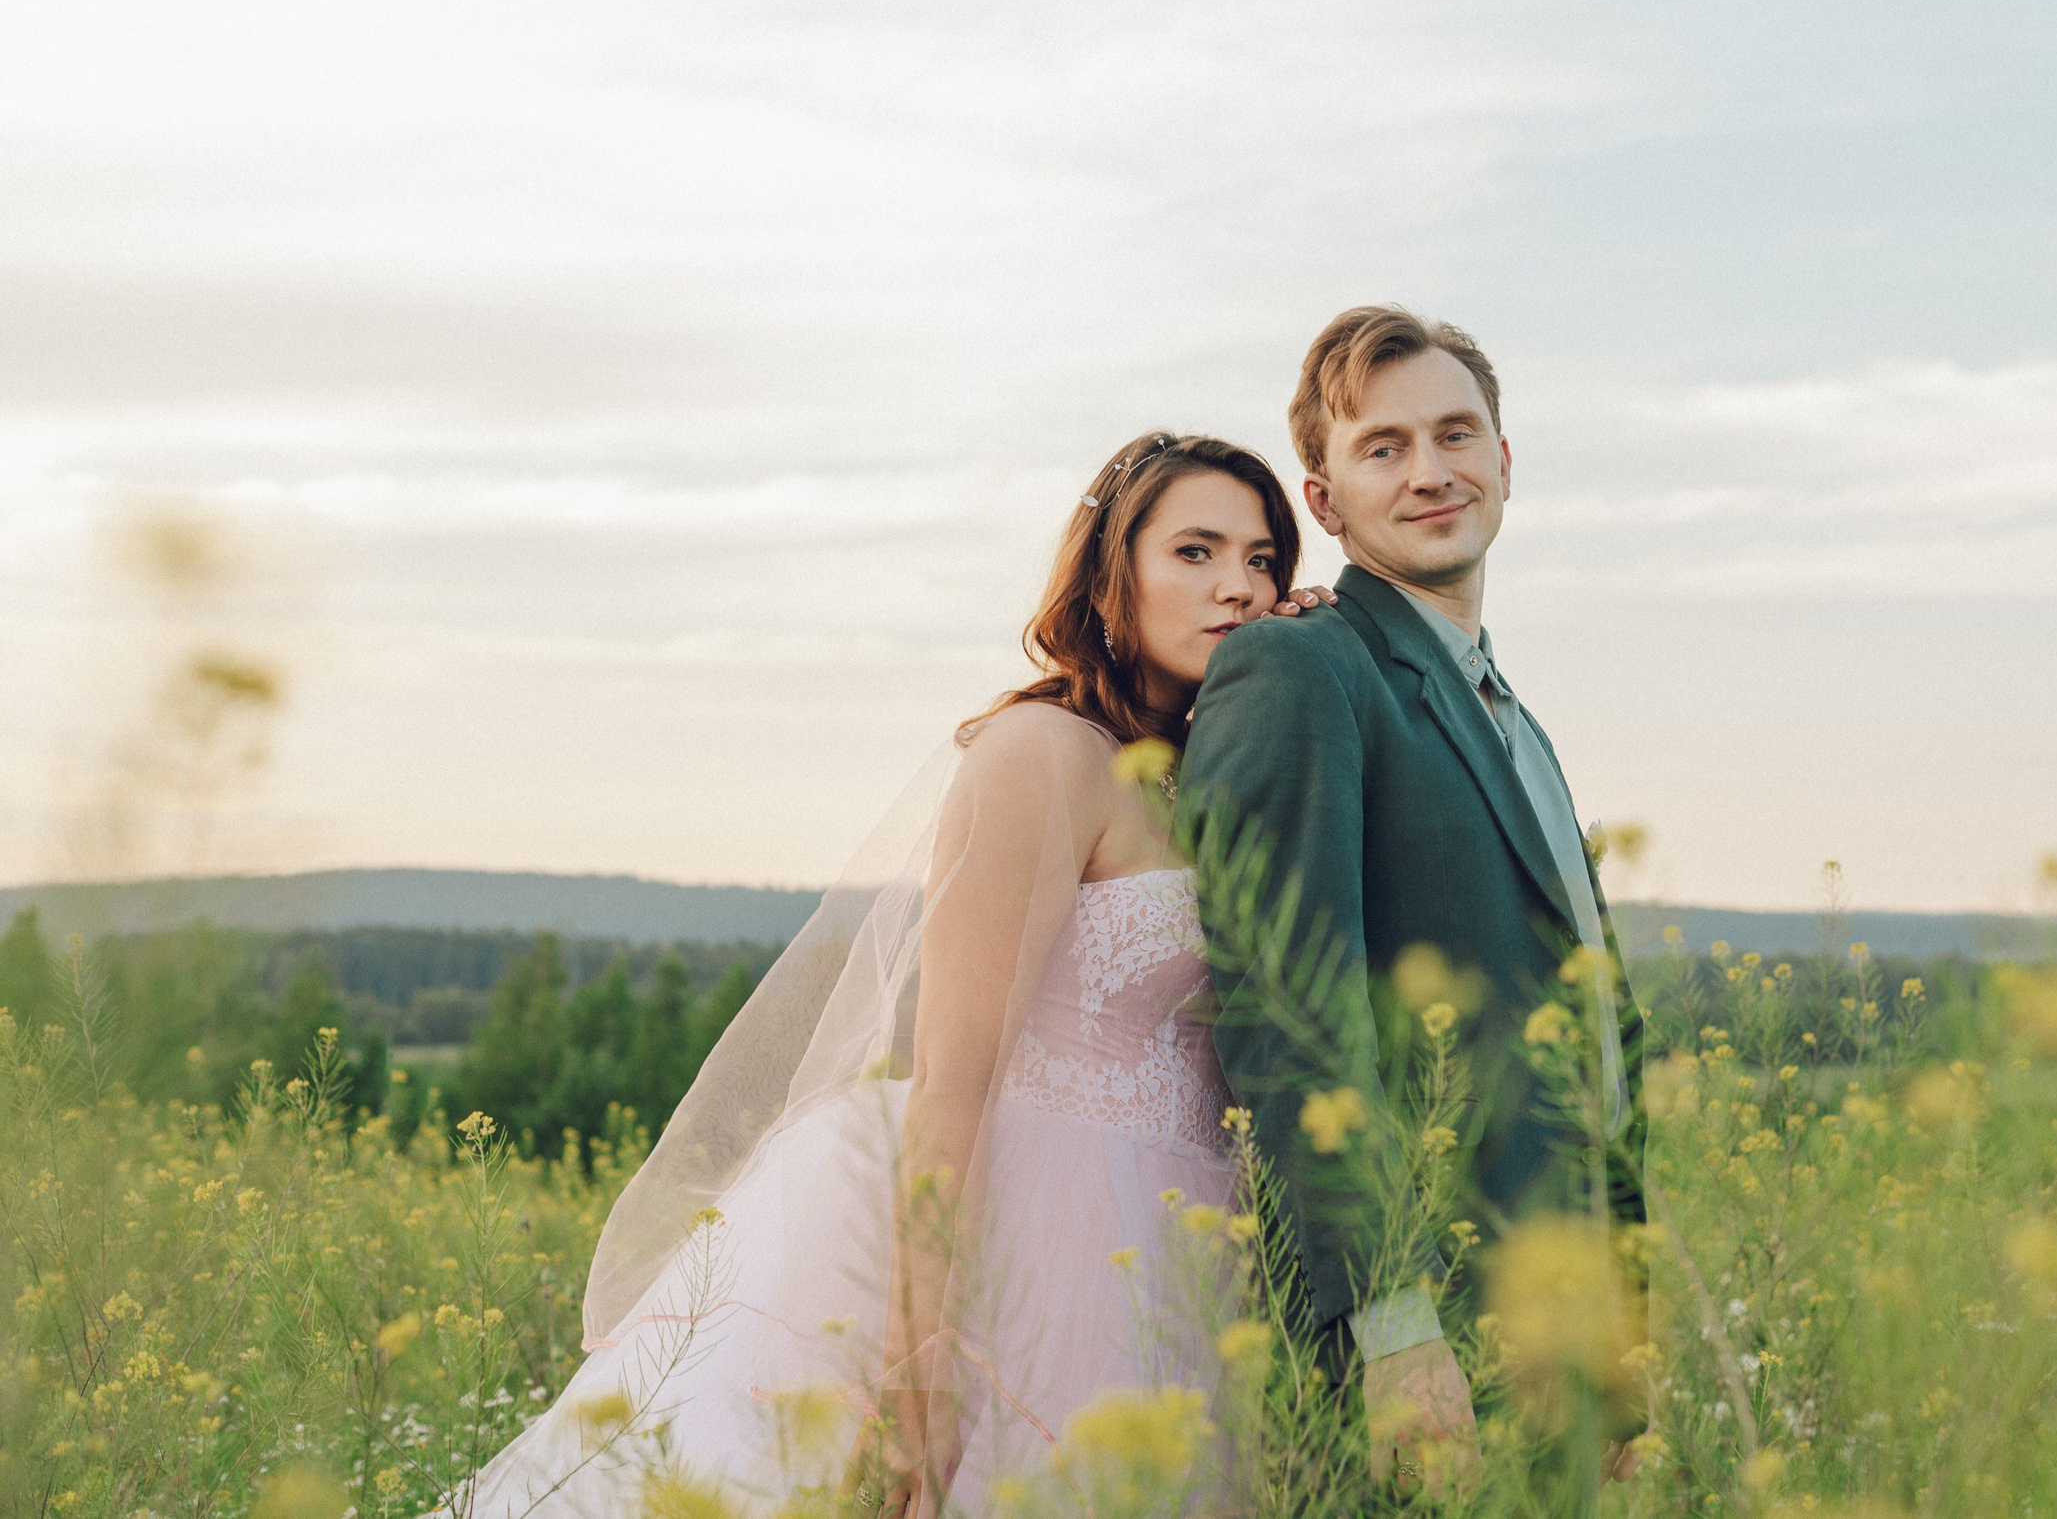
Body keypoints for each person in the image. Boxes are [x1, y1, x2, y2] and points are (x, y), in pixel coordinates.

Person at [445, 432, 1330, 1519]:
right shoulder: (1044, 754)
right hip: (1030, 1238)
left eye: (1260, 559)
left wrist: (1316, 664)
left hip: (1184, 1248)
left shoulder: (1207, 776)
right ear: (1114, 573)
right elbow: (951, 1074)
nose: (1236, 586)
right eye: (1194, 552)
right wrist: (923, 1351)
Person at [1179, 306, 1648, 1498]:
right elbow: (1288, 1015)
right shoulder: (1299, 669)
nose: (1431, 471)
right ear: (1324, 503)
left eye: (1456, 434)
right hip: (1428, 1330)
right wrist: (1390, 1327)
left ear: (1505, 463)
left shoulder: (1512, 712)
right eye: (1382, 448)